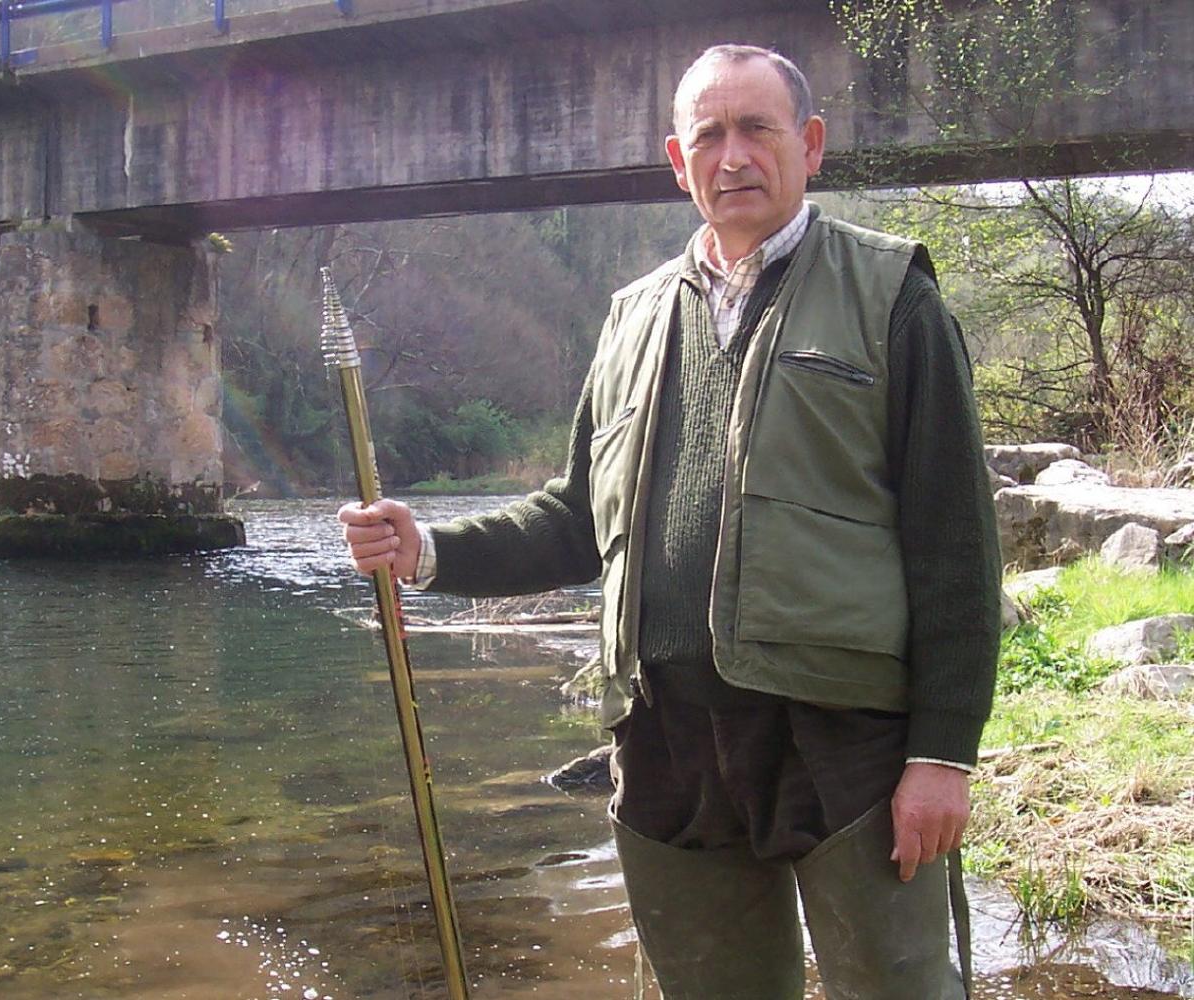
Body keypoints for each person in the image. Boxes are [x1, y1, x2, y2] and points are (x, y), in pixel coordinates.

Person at [339, 44, 1000, 1000]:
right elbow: (577, 518)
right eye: (710, 135)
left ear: (809, 146)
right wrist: (430, 549)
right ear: (676, 159)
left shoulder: (895, 296)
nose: (733, 156)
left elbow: (955, 549)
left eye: (758, 129)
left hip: (847, 740)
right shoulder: (630, 317)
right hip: (666, 742)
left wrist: (943, 754)